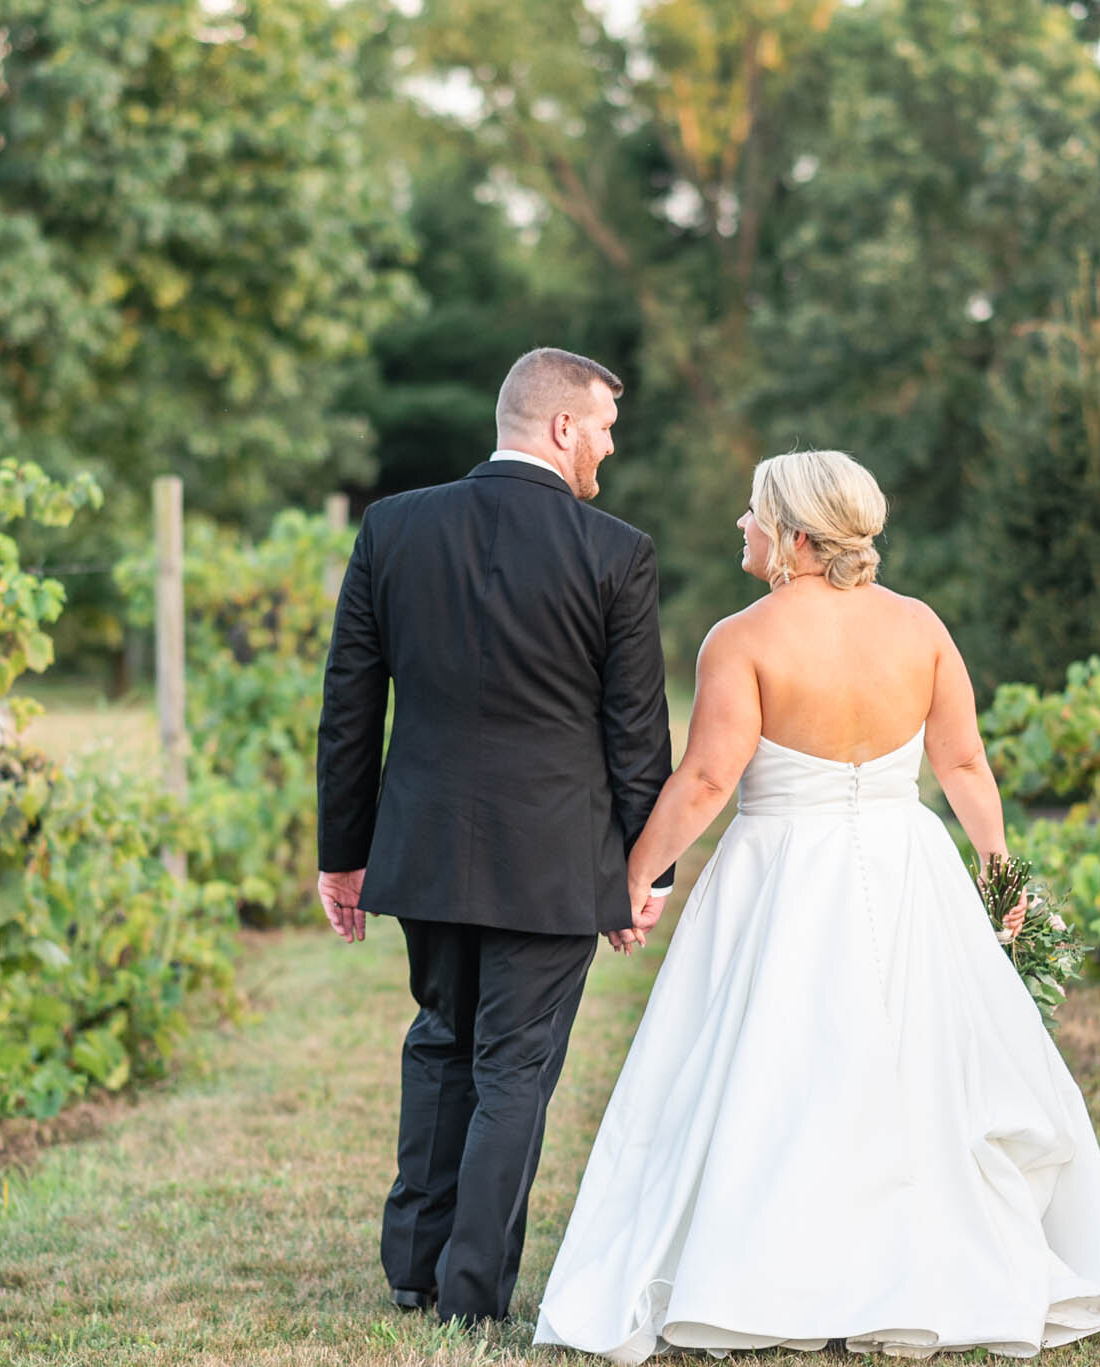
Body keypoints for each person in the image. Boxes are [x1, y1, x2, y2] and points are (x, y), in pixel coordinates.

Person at [533, 449, 1100, 1361]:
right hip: (910, 866)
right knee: (909, 1067)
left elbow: (705, 779)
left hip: (780, 874)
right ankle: (909, 1267)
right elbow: (965, 764)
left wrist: (636, 875)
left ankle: (768, 1271)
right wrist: (999, 873)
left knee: (778, 1065)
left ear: (796, 535)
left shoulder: (740, 639)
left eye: (753, 512)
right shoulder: (921, 628)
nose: (741, 525)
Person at [314, 347, 676, 1326]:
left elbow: (350, 704)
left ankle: (412, 1267)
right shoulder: (615, 552)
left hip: (424, 845)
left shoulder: (393, 527)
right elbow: (635, 731)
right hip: (554, 858)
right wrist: (647, 870)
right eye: (601, 423)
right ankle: (470, 1294)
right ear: (560, 427)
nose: (607, 442)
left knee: (439, 1039)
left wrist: (340, 852)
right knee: (511, 1066)